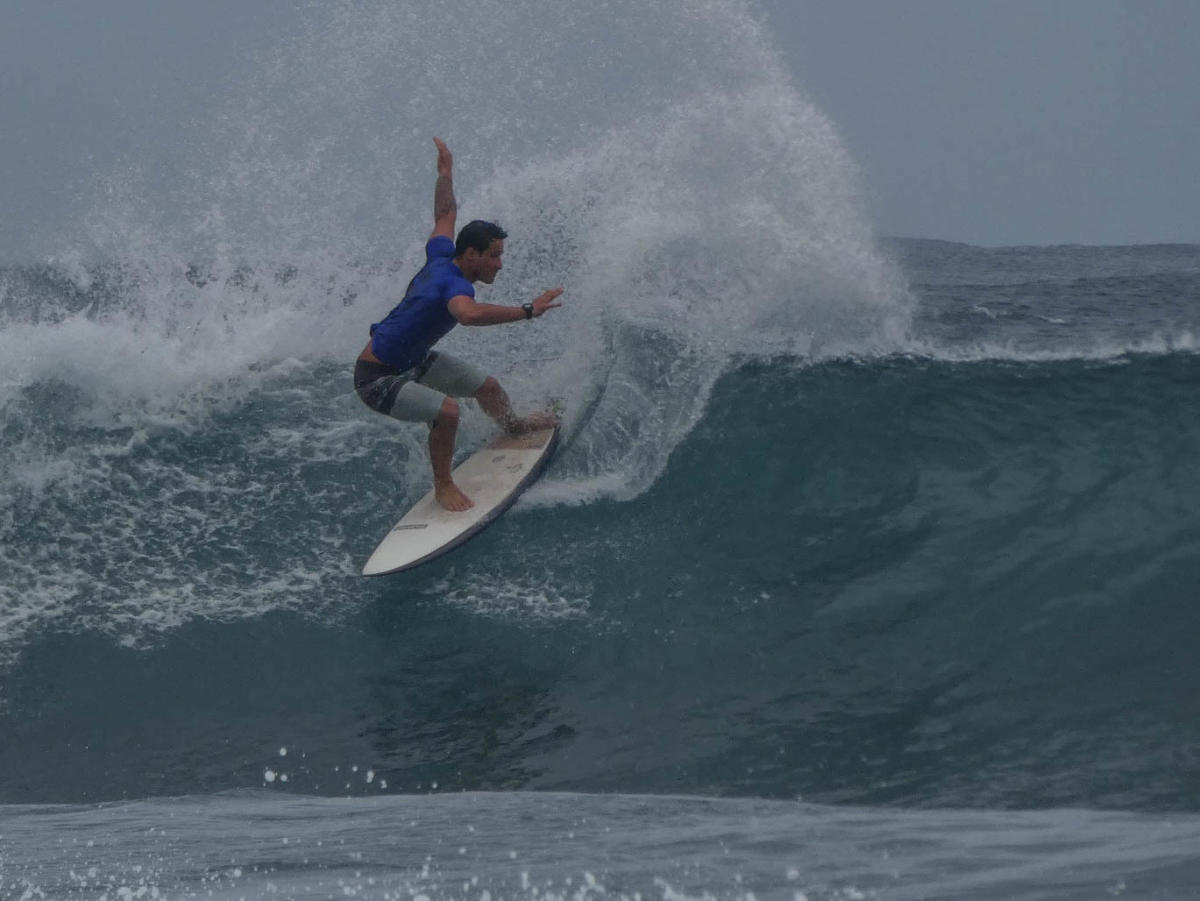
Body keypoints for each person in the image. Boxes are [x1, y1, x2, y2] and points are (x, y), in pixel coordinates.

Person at [354, 137, 562, 512]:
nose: (500, 264)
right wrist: (528, 310)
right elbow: (467, 315)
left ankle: (512, 426)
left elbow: (445, 214)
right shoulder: (455, 285)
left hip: (413, 360)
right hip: (376, 378)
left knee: (489, 388)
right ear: (472, 254)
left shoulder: (441, 255)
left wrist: (445, 172)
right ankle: (444, 486)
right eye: (495, 256)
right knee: (447, 411)